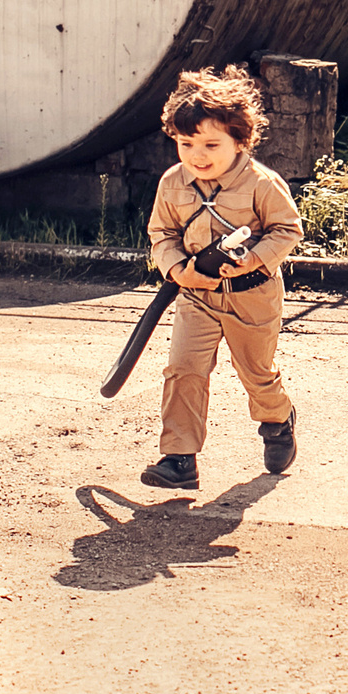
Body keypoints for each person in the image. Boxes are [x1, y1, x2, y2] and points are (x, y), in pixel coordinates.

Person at [140, 67, 306, 489]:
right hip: (195, 295)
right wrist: (176, 267)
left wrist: (252, 259)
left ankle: (277, 419)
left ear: (239, 140)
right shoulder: (172, 183)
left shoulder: (261, 184)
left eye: (211, 144)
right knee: (183, 369)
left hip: (252, 294)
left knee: (255, 370)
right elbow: (162, 233)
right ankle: (179, 458)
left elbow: (287, 230)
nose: (198, 155)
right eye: (186, 144)